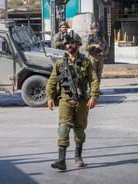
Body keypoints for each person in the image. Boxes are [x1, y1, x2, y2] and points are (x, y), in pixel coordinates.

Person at [46, 30, 100, 170]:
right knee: (63, 127)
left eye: (72, 43)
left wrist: (94, 96)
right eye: (68, 43)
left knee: (79, 129)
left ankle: (78, 156)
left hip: (82, 100)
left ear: (78, 44)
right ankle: (61, 160)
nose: (70, 45)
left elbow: (94, 80)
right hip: (65, 99)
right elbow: (52, 80)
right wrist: (50, 97)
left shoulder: (86, 62)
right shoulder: (60, 62)